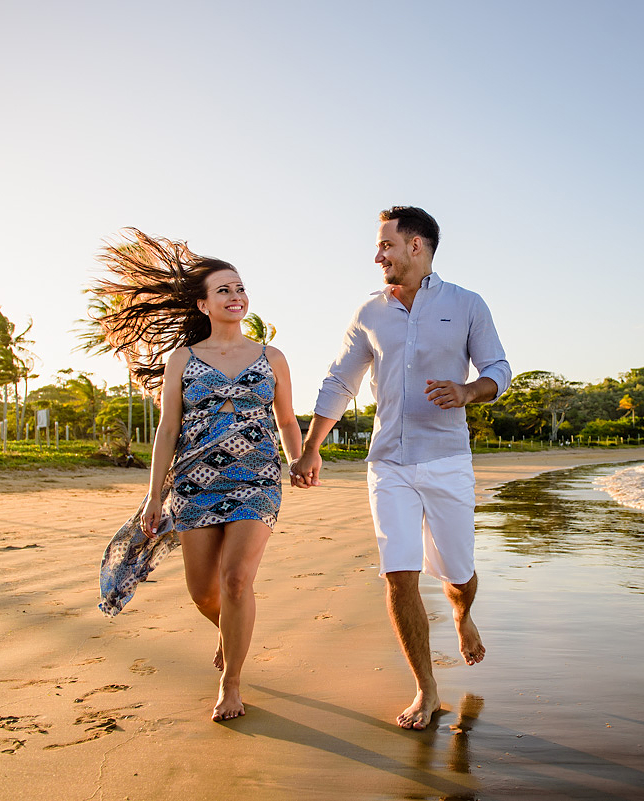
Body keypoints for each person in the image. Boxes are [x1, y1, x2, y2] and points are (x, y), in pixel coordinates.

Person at [292, 206, 511, 730]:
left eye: (386, 244)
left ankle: (462, 614)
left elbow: (499, 370)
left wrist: (467, 391)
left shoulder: (466, 304)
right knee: (399, 575)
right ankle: (426, 688)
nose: (378, 255)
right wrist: (310, 448)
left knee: (459, 575)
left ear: (417, 246)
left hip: (448, 460)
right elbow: (339, 382)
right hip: (387, 461)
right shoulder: (369, 312)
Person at [94, 228, 302, 722]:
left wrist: (296, 459)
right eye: (224, 290)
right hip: (193, 482)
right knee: (203, 592)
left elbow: (287, 419)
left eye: (240, 288)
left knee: (236, 580)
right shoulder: (183, 360)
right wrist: (152, 499)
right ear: (204, 304)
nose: (236, 296)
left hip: (256, 480)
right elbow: (167, 430)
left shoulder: (272, 356)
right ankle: (229, 629)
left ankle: (231, 682)